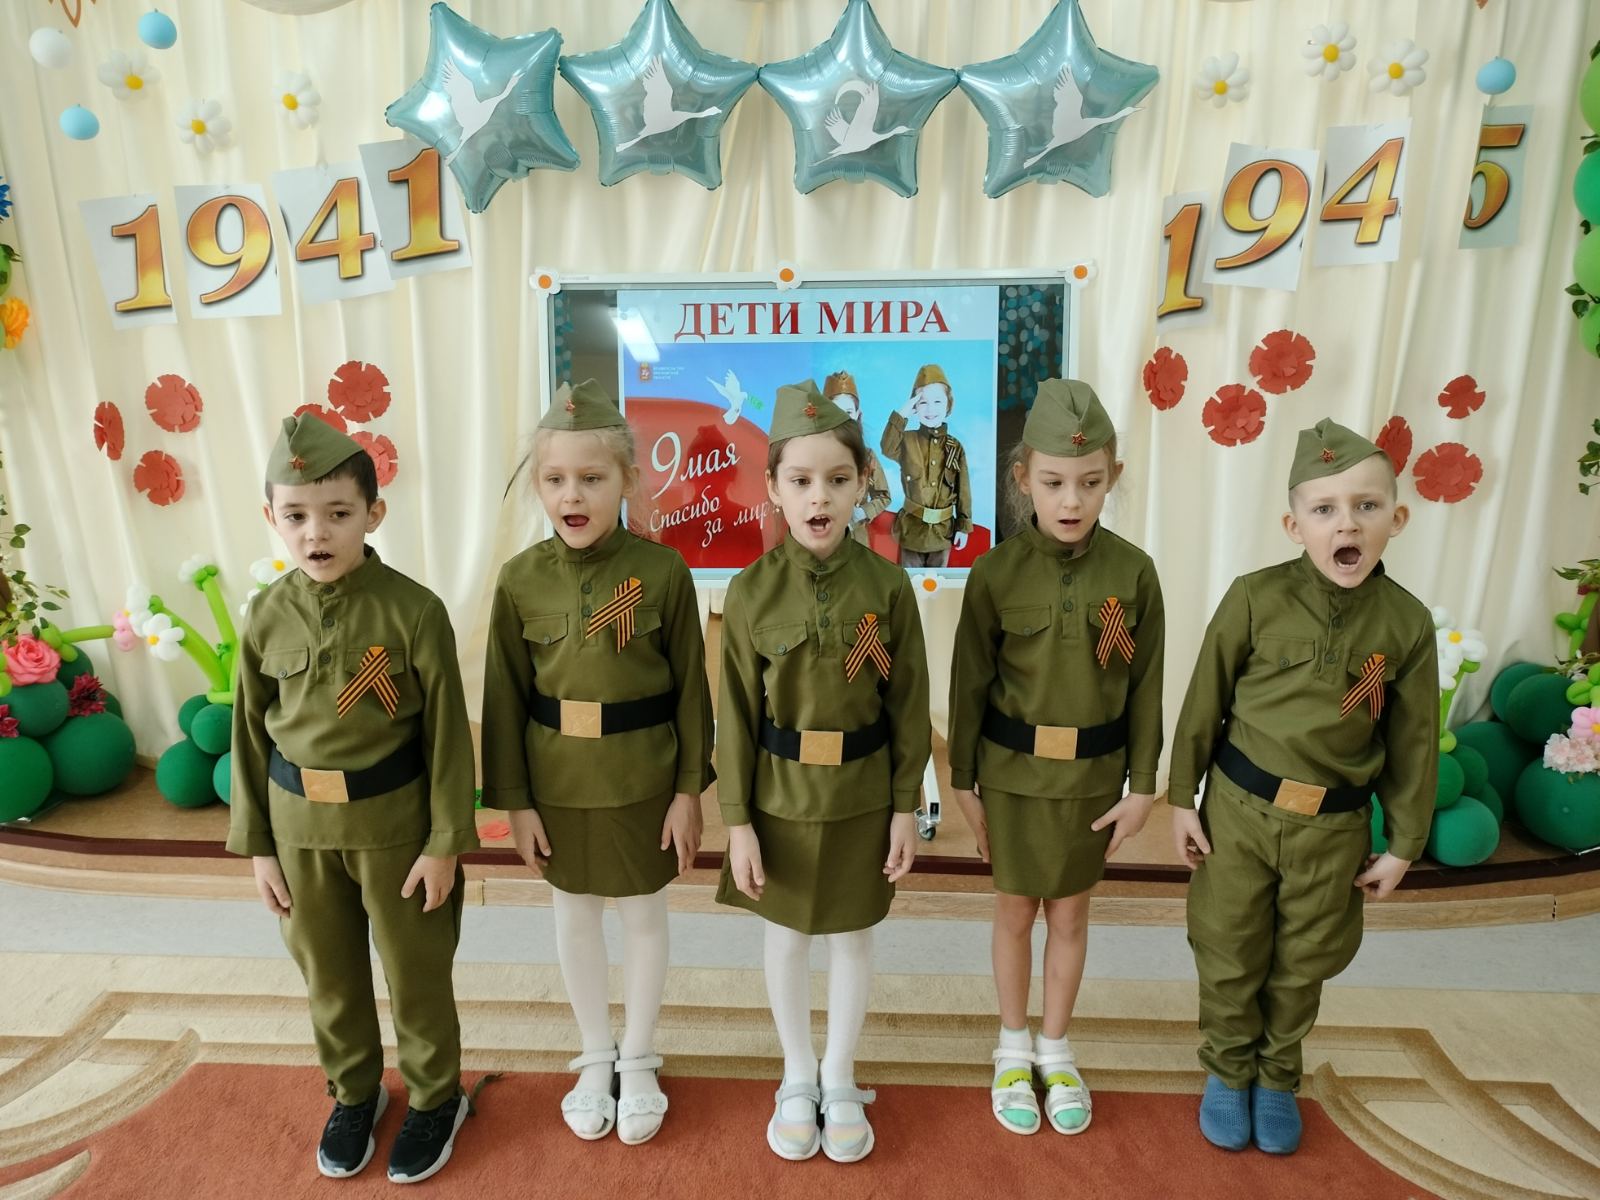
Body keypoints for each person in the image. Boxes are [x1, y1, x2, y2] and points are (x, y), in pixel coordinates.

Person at [1168, 418, 1437, 1155]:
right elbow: (1202, 702)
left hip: (1334, 827)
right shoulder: (1254, 598)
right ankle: (1229, 1070)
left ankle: (1276, 1075)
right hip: (1240, 813)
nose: (1346, 524)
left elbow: (1413, 742)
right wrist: (1181, 798)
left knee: (1305, 956)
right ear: (1295, 526)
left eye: (1366, 506)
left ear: (1396, 519)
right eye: (1324, 509)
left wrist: (1404, 843)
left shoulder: (1407, 624)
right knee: (1229, 945)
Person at [229, 413, 478, 1184]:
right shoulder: (266, 614)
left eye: (338, 513)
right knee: (329, 977)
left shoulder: (413, 611)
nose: (317, 533)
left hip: (395, 829)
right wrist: (259, 848)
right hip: (299, 831)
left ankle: (435, 1097)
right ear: (272, 517)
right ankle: (355, 1092)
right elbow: (249, 735)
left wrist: (445, 843)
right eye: (296, 516)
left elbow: (447, 737)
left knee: (416, 973)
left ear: (374, 513)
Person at [480, 379, 714, 1146]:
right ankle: (595, 1055)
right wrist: (514, 801)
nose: (571, 495)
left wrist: (689, 792)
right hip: (557, 783)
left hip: (644, 778)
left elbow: (692, 693)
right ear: (538, 486)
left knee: (644, 915)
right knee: (574, 914)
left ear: (628, 480)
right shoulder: (520, 580)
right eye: (554, 479)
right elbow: (505, 697)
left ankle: (638, 1057)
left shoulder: (664, 572)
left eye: (591, 477)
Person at [716, 379, 932, 1163]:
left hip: (862, 796)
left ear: (863, 482)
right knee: (785, 939)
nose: (819, 497)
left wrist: (906, 806)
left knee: (851, 937)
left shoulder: (887, 587)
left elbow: (909, 704)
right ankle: (796, 1073)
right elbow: (735, 717)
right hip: (778, 798)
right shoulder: (749, 592)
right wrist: (736, 821)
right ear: (773, 487)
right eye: (801, 480)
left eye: (838, 479)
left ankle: (839, 1075)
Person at [948, 379, 1164, 1137]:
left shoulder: (1133, 574)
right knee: (1014, 911)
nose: (1071, 500)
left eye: (1090, 483)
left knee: (1070, 913)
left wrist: (1144, 785)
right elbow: (969, 685)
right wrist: (962, 781)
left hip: (1092, 782)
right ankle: (1012, 1049)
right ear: (1023, 480)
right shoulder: (995, 573)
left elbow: (1146, 685)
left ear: (1113, 478)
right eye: (1053, 483)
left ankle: (1055, 1049)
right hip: (1011, 779)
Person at [879, 363, 972, 567]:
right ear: (915, 407)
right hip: (911, 531)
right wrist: (902, 414)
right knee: (910, 583)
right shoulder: (907, 441)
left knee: (939, 582)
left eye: (938, 401)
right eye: (923, 402)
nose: (930, 409)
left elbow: (963, 490)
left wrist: (964, 526)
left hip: (942, 533)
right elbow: (886, 447)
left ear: (948, 405)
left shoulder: (955, 447)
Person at [822, 370, 891, 548]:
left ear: (857, 415)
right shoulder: (812, 455)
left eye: (848, 412)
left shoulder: (868, 457)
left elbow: (883, 496)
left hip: (856, 542)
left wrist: (863, 512)